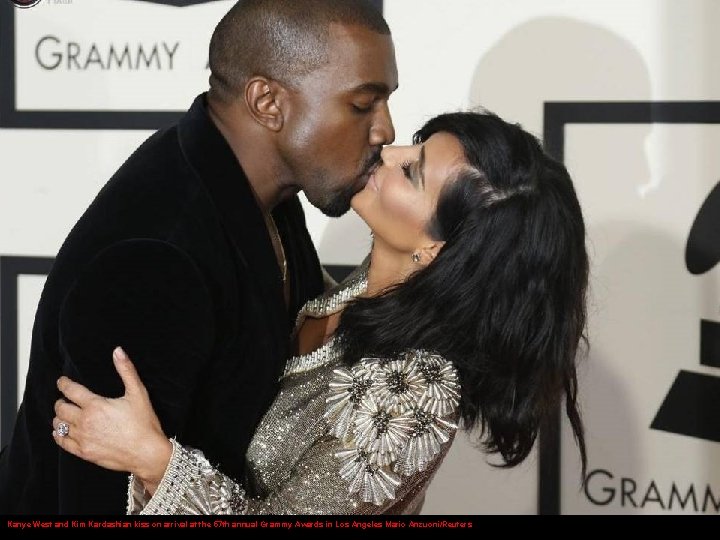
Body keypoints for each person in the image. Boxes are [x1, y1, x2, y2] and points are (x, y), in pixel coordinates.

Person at [52, 111, 590, 515]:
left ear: (439, 250)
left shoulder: (416, 393)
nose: (389, 150)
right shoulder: (368, 287)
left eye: (413, 172)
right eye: (416, 144)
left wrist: (153, 460)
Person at [0, 0, 396, 514]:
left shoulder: (269, 195)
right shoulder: (159, 256)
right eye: (363, 104)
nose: (385, 129)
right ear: (267, 102)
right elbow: (92, 496)